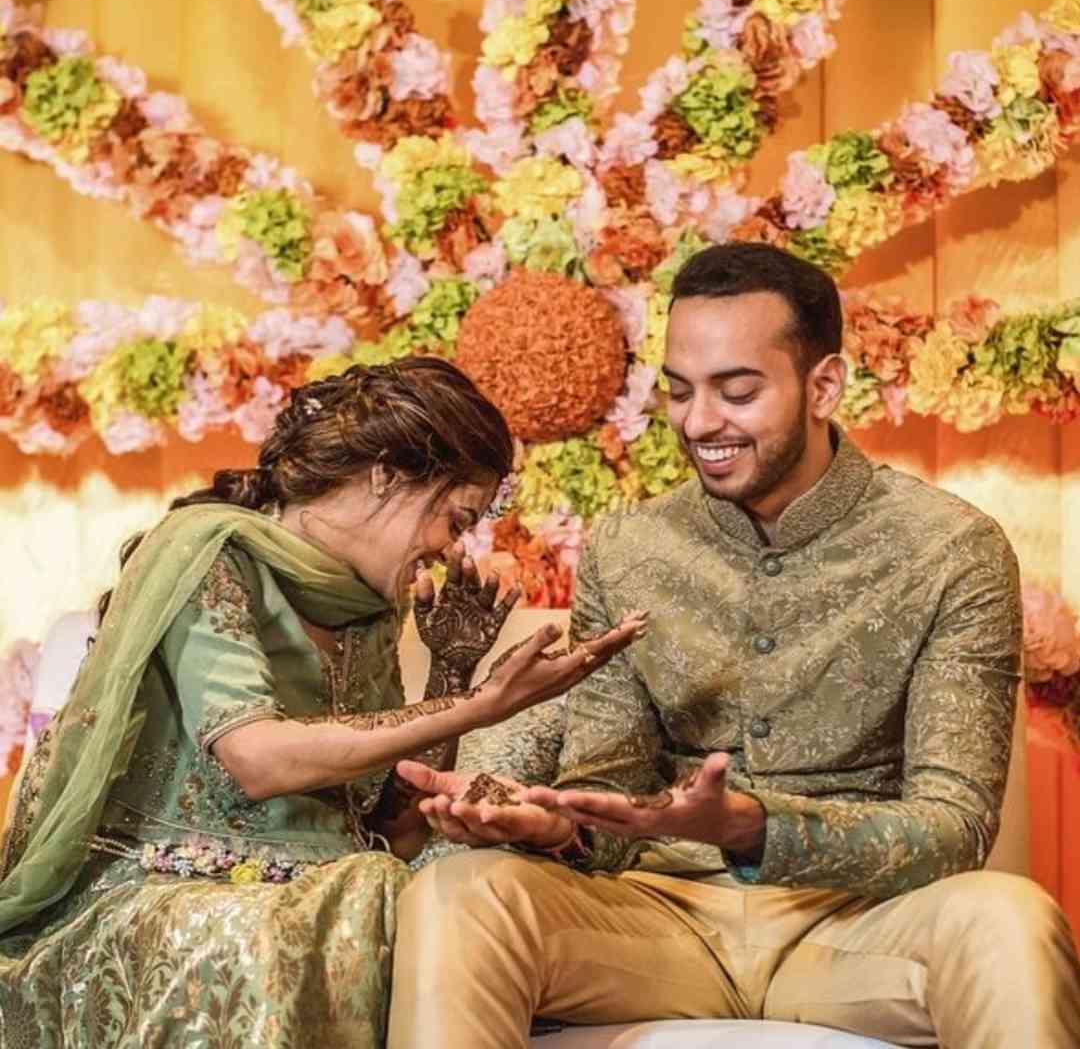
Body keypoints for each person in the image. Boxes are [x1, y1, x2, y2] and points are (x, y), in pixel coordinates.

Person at [388, 244, 1080, 1049]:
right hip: (658, 921)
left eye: (738, 391)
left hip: (862, 925)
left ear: (824, 385)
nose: (698, 422)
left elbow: (953, 828)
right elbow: (606, 789)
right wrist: (561, 826)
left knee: (1011, 920)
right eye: (681, 391)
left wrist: (756, 826)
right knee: (458, 893)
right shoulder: (630, 548)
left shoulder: (949, 549)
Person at [0, 357, 645, 1048]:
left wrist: (452, 675)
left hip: (323, 887)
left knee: (417, 897)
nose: (447, 549)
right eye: (454, 520)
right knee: (291, 931)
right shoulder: (209, 555)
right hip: (166, 889)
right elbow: (257, 758)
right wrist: (482, 704)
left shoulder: (367, 605)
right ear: (386, 476)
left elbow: (394, 833)